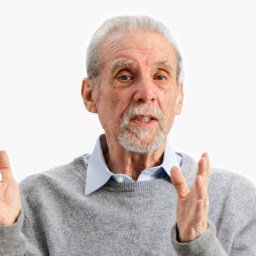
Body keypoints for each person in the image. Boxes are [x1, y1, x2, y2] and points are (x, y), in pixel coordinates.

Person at [0, 15, 255, 256]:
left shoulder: (234, 198)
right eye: (125, 76)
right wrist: (4, 240)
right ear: (90, 95)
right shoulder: (37, 198)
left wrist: (198, 244)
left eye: (160, 76)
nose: (146, 92)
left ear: (179, 99)